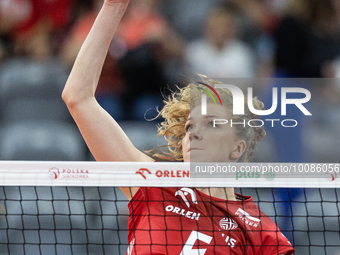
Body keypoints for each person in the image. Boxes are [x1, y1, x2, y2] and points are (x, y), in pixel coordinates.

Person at [62, 0, 295, 254]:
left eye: (212, 125)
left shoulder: (261, 231)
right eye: (189, 127)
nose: (194, 133)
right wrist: (114, 6)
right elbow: (78, 97)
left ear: (237, 147)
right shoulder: (151, 185)